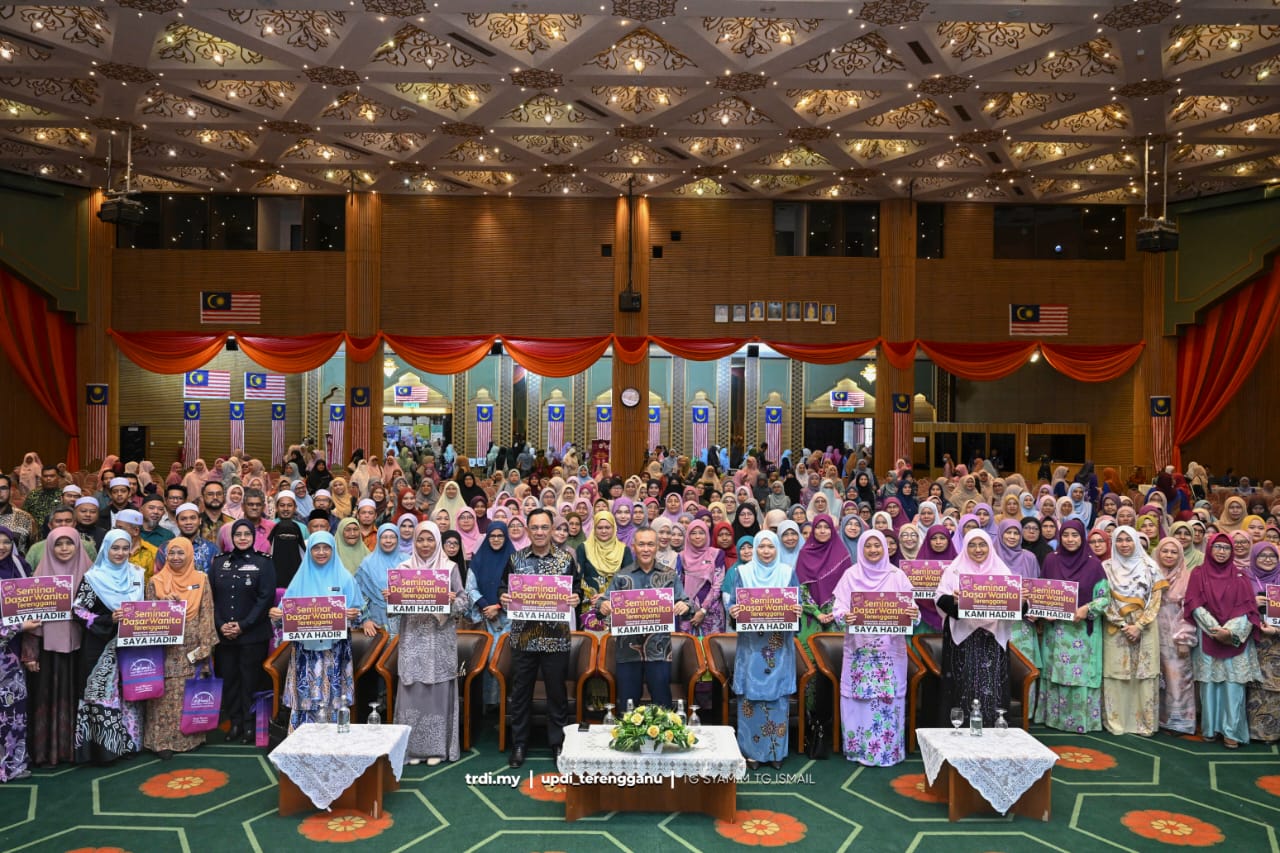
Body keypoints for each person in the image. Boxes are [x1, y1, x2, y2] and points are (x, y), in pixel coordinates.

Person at [498, 508, 583, 768]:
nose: (539, 532)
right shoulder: (516, 559)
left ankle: (557, 742)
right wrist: (503, 597)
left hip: (555, 637)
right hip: (524, 637)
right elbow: (504, 586)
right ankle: (520, 743)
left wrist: (576, 597)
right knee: (521, 691)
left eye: (544, 527)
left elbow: (578, 587)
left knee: (556, 692)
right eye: (534, 527)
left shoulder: (565, 559)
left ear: (551, 529)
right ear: (527, 530)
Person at [831, 530, 917, 765]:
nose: (873, 550)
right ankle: (860, 750)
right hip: (859, 651)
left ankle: (887, 752)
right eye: (867, 546)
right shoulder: (851, 575)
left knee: (887, 699)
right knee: (860, 701)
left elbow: (912, 611)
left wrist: (913, 613)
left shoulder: (897, 576)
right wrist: (843, 616)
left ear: (885, 548)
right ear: (860, 549)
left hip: (890, 651)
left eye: (877, 546)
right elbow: (837, 608)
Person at [1184, 533, 1274, 747]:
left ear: (1232, 551)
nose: (1222, 551)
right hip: (1208, 635)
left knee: (1233, 686)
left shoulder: (1241, 576)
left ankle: (1231, 731)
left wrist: (1230, 633)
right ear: (1210, 549)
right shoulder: (1198, 574)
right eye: (1218, 547)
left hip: (1236, 639)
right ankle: (1210, 728)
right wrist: (1216, 630)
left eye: (1226, 548)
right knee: (1209, 686)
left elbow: (1247, 609)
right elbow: (1195, 605)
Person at [269, 531, 364, 732]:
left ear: (333, 549)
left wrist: (353, 614)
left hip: (335, 652)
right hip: (306, 653)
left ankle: (334, 747)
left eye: (326, 548)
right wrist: (278, 615)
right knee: (306, 698)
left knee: (334, 699)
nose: (321, 552)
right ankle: (302, 747)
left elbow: (360, 617)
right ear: (309, 551)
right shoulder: (299, 579)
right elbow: (284, 620)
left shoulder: (345, 578)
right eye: (316, 548)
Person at [393, 521, 467, 765]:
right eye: (420, 540)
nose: (425, 545)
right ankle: (412, 749)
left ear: (438, 542)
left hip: (439, 639)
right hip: (413, 638)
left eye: (430, 540)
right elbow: (392, 610)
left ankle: (437, 749)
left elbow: (463, 604)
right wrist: (390, 598)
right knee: (412, 689)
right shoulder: (403, 567)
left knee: (437, 691)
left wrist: (450, 600)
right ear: (414, 542)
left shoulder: (449, 567)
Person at [725, 530, 800, 770]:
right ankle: (751, 753)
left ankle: (776, 751)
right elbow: (734, 605)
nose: (766, 551)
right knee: (751, 700)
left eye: (771, 547)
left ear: (777, 549)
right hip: (752, 650)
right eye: (762, 547)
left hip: (779, 650)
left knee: (777, 700)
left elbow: (796, 605)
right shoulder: (742, 573)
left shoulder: (788, 573)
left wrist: (797, 612)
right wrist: (733, 611)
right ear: (754, 549)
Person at [593, 527, 690, 709]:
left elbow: (687, 603)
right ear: (633, 547)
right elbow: (602, 604)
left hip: (659, 651)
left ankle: (664, 738)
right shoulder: (622, 576)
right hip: (627, 651)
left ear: (656, 547)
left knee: (662, 706)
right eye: (642, 544)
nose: (646, 549)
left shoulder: (669, 575)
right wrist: (603, 606)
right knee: (627, 706)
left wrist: (685, 606)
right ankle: (627, 738)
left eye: (650, 544)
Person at [21, 525, 94, 765]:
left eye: (69, 543)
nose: (64, 549)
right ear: (50, 547)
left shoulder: (92, 575)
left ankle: (75, 751)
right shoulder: (39, 576)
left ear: (78, 545)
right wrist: (30, 655)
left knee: (77, 696)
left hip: (81, 648)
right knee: (47, 698)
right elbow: (29, 619)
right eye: (58, 544)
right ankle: (47, 752)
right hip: (47, 648)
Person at [144, 537, 218, 758]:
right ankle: (162, 742)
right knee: (164, 695)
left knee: (190, 690)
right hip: (166, 648)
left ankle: (191, 739)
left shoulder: (202, 579)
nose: (176, 557)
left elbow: (207, 612)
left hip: (192, 645)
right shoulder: (155, 582)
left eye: (180, 553)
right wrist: (165, 605)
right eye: (171, 553)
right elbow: (148, 618)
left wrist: (205, 646)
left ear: (189, 554)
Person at [73, 530, 144, 764]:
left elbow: (148, 605)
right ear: (106, 549)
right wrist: (107, 620)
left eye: (125, 548)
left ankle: (129, 743)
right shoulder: (94, 577)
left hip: (130, 644)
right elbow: (79, 610)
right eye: (115, 548)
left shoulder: (137, 574)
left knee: (129, 693)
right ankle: (105, 751)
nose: (120, 553)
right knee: (102, 695)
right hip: (100, 645)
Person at [1035, 519, 1109, 733]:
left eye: (1075, 535)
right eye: (1065, 535)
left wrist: (1086, 609)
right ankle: (1054, 719)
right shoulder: (1051, 560)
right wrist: (1043, 612)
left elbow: (1105, 599)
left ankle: (1079, 721)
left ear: (1082, 538)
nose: (1070, 539)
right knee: (1055, 672)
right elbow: (1043, 591)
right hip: (1055, 631)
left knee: (1079, 676)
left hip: (1081, 632)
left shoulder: (1094, 564)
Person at [933, 530, 1011, 726]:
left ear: (990, 547)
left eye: (982, 544)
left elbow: (1017, 604)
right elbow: (940, 599)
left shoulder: (1002, 571)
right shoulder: (954, 570)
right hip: (962, 641)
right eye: (972, 545)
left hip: (991, 640)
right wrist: (956, 601)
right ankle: (958, 730)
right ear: (965, 547)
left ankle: (992, 730)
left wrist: (1023, 600)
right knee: (961, 685)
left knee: (991, 687)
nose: (978, 549)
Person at [210, 519, 276, 744]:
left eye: (247, 534)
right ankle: (235, 723)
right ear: (231, 537)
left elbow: (265, 599)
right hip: (224, 634)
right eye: (238, 534)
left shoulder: (263, 562)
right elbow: (212, 599)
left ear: (254, 537)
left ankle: (250, 725)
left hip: (252, 634)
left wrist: (243, 625)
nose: (242, 538)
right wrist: (221, 625)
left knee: (250, 681)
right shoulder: (219, 563)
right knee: (229, 681)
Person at [1100, 526, 1165, 736]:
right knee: (1116, 673)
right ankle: (1117, 723)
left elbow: (1156, 600)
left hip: (1145, 627)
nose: (1124, 544)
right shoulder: (1106, 567)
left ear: (1136, 541)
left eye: (1129, 540)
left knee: (1144, 674)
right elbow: (1102, 599)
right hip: (1115, 627)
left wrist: (1139, 625)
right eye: (1120, 540)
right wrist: (1121, 624)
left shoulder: (1150, 566)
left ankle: (1144, 724)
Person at [465, 521, 514, 710]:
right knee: (483, 661)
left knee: (504, 660)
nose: (495, 539)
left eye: (500, 536)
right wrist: (487, 606)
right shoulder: (478, 560)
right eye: (492, 536)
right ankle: (485, 705)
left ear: (506, 537)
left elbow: (519, 589)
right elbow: (470, 588)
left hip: (507, 619)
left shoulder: (515, 559)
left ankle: (503, 705)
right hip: (483, 618)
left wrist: (499, 607)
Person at [1152, 536, 1197, 735]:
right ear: (1158, 553)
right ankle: (1157, 718)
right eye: (1165, 551)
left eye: (1174, 552)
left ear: (1180, 555)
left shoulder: (1187, 577)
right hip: (1152, 633)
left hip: (1175, 635)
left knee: (1177, 678)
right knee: (1156, 676)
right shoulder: (1150, 574)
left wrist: (1184, 638)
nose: (1169, 555)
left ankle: (1179, 722)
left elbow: (1189, 610)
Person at [0, 527, 32, 780]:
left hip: (11, 654)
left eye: (6, 542)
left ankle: (13, 764)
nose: (1, 547)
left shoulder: (20, 568)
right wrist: (19, 626)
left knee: (13, 710)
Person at [1246, 540, 1280, 743]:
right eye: (1262, 556)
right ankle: (1253, 732)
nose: (1267, 559)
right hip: (1252, 639)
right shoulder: (1245, 579)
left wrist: (1276, 629)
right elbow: (1232, 606)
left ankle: (1273, 732)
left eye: (1272, 556)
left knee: (1275, 687)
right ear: (1254, 558)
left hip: (1277, 641)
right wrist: (1252, 602)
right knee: (1254, 685)